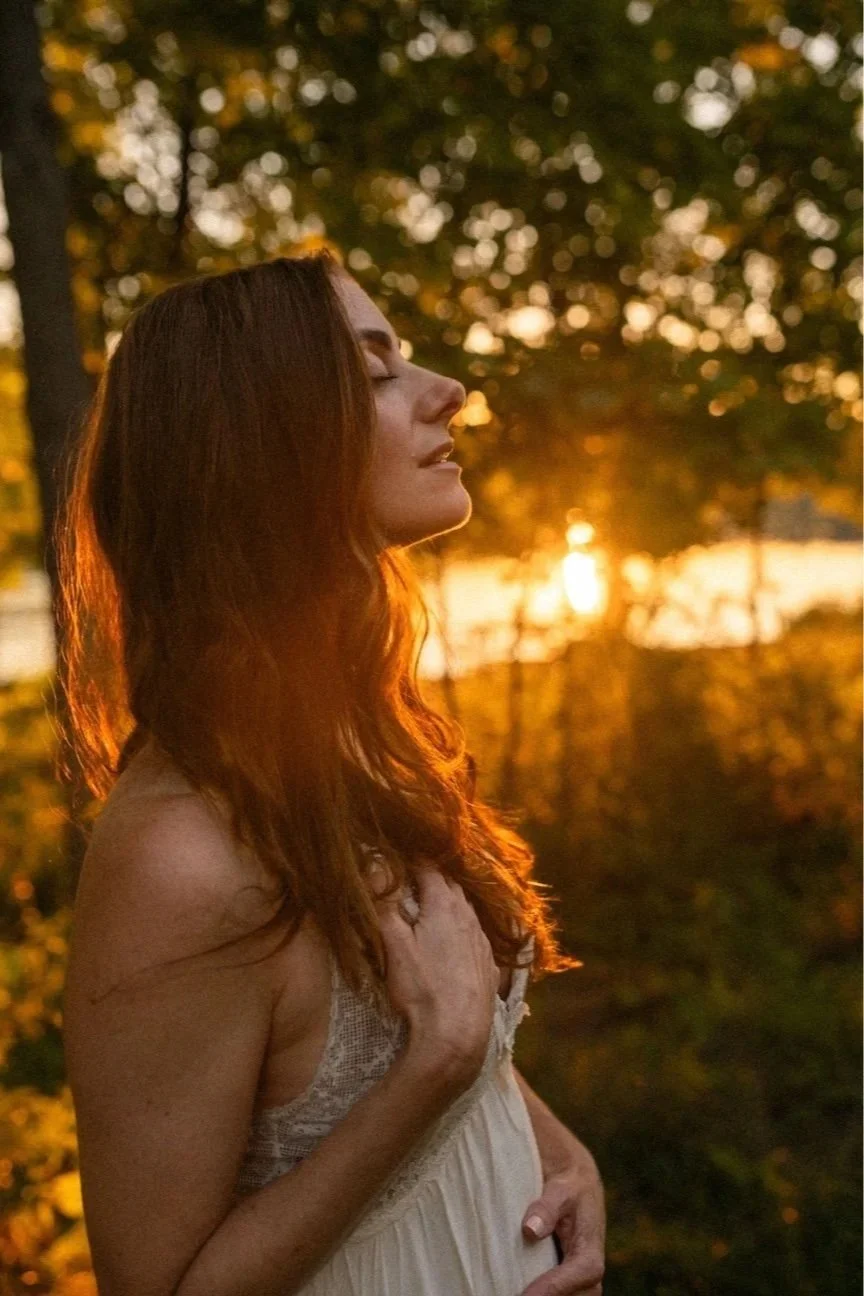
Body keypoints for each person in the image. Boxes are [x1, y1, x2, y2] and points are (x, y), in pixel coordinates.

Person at [59, 250, 606, 1296]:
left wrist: (555, 1149)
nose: (449, 390)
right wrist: (432, 1070)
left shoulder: (353, 747)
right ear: (257, 445)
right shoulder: (180, 855)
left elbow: (437, 1028)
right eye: (376, 373)